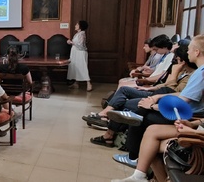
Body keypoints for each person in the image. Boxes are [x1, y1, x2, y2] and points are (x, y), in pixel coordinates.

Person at [108, 34, 204, 169]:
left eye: (189, 49)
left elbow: (181, 102)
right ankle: (131, 117)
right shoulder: (200, 71)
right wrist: (157, 98)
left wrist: (152, 106)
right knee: (144, 109)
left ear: (197, 52)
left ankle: (133, 157)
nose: (187, 52)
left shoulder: (201, 73)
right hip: (184, 113)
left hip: (184, 116)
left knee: (142, 119)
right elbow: (183, 94)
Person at [87, 42, 196, 146]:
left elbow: (172, 90)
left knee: (126, 103)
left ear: (183, 61)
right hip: (157, 94)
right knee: (124, 91)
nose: (175, 61)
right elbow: (164, 84)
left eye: (177, 59)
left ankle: (108, 132)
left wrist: (174, 73)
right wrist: (149, 88)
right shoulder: (183, 70)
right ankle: (107, 122)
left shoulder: (191, 75)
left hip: (165, 102)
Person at [111, 118, 204, 182]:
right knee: (152, 131)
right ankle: (139, 175)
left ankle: (139, 175)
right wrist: (192, 124)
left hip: (199, 139)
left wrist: (193, 132)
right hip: (199, 131)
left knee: (151, 149)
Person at [67, 20, 93, 91]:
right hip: (75, 53)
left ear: (80, 26)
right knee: (75, 67)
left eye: (77, 25)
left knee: (82, 67)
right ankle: (76, 83)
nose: (75, 26)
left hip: (80, 53)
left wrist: (71, 42)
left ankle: (88, 83)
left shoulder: (82, 34)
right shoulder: (78, 34)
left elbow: (80, 45)